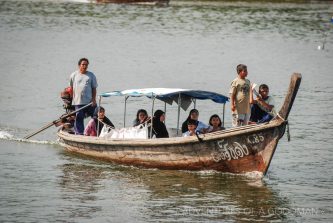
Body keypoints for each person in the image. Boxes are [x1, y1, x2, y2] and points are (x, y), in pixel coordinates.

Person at [70, 58, 98, 135]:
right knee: (79, 117)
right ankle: (80, 133)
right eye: (83, 64)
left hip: (89, 101)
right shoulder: (73, 75)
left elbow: (94, 88)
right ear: (79, 65)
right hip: (78, 101)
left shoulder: (91, 75)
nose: (84, 66)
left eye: (86, 65)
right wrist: (73, 99)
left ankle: (96, 131)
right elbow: (71, 88)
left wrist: (94, 99)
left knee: (96, 115)